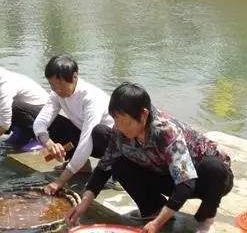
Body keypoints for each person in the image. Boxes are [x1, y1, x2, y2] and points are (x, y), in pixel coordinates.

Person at [67, 83, 233, 233]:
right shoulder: (120, 130)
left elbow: (185, 182)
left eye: (126, 123)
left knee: (215, 168)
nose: (120, 128)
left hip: (201, 179)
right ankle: (153, 209)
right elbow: (104, 167)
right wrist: (83, 204)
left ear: (143, 115)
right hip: (165, 173)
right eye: (117, 122)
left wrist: (158, 224)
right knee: (117, 163)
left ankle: (207, 219)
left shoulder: (166, 130)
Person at [33, 55, 114, 195]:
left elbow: (86, 142)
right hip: (87, 137)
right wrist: (49, 144)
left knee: (98, 131)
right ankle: (82, 166)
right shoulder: (56, 94)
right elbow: (39, 123)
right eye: (52, 86)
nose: (57, 90)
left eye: (60, 85)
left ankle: (114, 172)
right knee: (56, 124)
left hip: (110, 144)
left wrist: (60, 181)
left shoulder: (91, 98)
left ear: (74, 77)